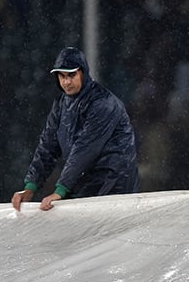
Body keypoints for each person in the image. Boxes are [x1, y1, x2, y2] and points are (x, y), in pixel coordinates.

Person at [11, 47, 139, 211]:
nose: (66, 82)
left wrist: (61, 190)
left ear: (83, 73)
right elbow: (48, 146)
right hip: (85, 186)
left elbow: (85, 148)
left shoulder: (103, 103)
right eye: (62, 76)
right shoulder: (61, 104)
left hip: (113, 189)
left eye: (71, 75)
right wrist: (30, 187)